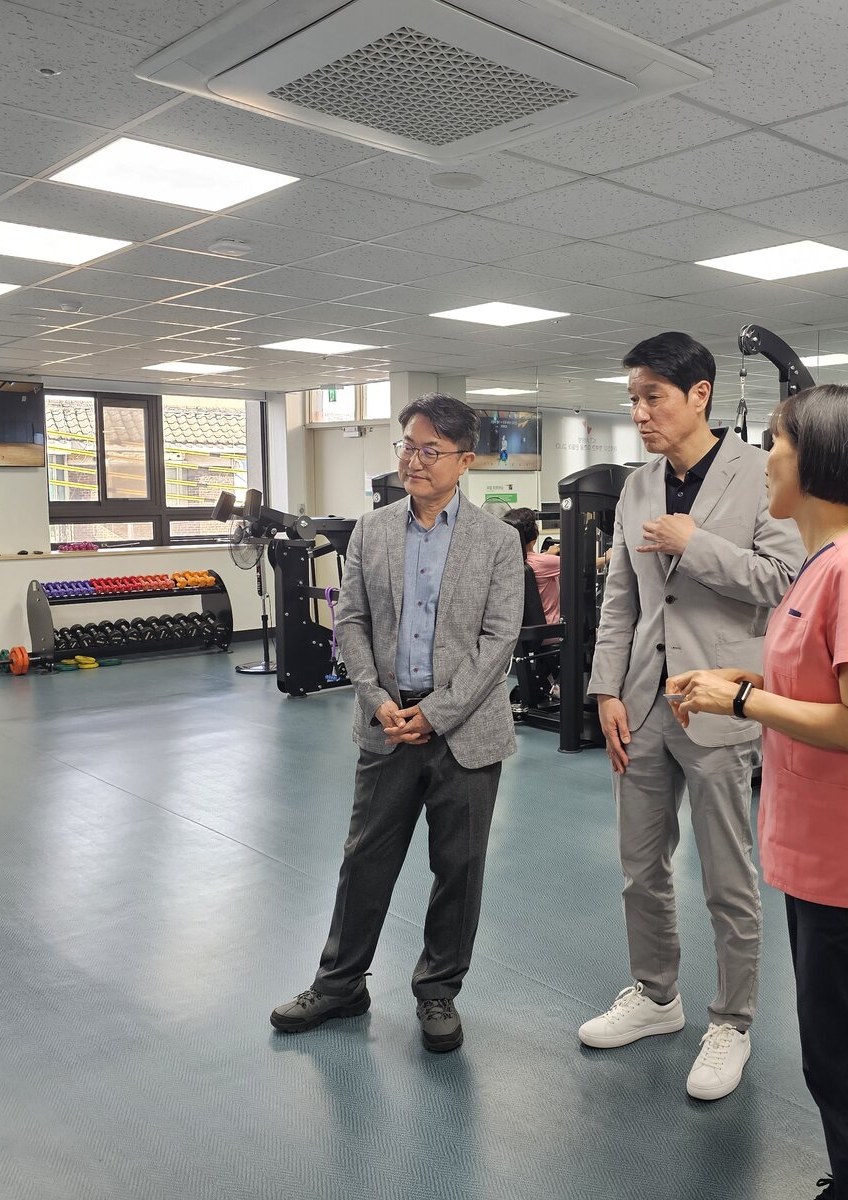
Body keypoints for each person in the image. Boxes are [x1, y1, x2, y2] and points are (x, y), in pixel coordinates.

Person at [669, 383, 848, 1200]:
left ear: (818, 459)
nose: (765, 460)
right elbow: (817, 681)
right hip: (819, 858)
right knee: (830, 1053)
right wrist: (742, 679)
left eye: (777, 443)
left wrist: (742, 703)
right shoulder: (822, 564)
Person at [579, 331, 803, 1101]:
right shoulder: (637, 487)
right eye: (633, 399)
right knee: (640, 867)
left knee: (727, 877)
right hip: (643, 702)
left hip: (717, 703)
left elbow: (784, 580)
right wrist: (606, 690)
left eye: (654, 397)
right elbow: (621, 599)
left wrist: (697, 543)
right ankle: (655, 995)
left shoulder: (759, 473)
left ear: (699, 394)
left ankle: (732, 1022)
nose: (640, 412)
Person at [269, 394, 524, 1053]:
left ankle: (438, 991)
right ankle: (339, 984)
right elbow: (350, 620)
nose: (414, 460)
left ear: (465, 461)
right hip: (386, 723)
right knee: (365, 859)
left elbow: (499, 641)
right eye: (408, 446)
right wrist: (374, 695)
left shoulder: (498, 541)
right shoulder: (373, 530)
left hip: (465, 733)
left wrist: (435, 713)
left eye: (430, 450)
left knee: (458, 866)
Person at [506, 506, 562, 625]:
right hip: (551, 630)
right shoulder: (544, 562)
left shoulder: (508, 561)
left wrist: (546, 555)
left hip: (522, 630)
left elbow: (535, 562)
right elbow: (586, 564)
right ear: (534, 537)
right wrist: (604, 557)